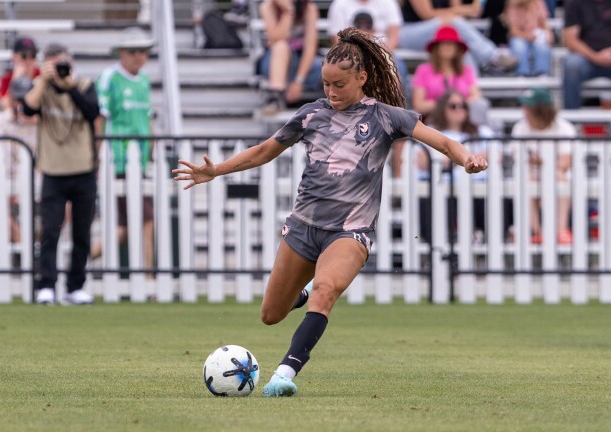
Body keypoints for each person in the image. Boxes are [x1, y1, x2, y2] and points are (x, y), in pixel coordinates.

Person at [173, 27, 488, 397]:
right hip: (303, 227)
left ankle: (284, 374)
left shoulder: (386, 117)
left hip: (350, 231)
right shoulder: (310, 116)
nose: (331, 92)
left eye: (339, 85)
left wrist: (467, 159)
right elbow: (263, 151)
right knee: (271, 314)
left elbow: (443, 140)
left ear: (362, 78)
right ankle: (301, 296)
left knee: (325, 290)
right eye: (325, 84)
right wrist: (216, 170)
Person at [22, 43, 100, 305]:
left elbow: (92, 112)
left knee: (81, 232)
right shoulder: (41, 87)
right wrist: (43, 81)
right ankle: (46, 285)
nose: (59, 69)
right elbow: (27, 109)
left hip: (83, 169)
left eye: (62, 64)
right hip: (53, 171)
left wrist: (68, 86)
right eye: (53, 64)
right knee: (50, 231)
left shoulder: (84, 84)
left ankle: (75, 286)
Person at [97, 27, 155, 276]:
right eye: (134, 51)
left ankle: (76, 264)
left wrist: (151, 148)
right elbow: (100, 118)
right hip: (117, 160)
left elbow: (147, 120)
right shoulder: (110, 78)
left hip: (139, 162)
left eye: (143, 51)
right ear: (122, 52)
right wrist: (96, 154)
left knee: (128, 226)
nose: (139, 56)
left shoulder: (144, 81)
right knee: (144, 220)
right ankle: (150, 277)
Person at [416, 90, 493, 243]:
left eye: (463, 105)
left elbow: (494, 153)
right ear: (442, 108)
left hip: (478, 190)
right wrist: (467, 158)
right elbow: (422, 160)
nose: (459, 109)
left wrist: (451, 158)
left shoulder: (482, 131)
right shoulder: (431, 131)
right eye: (453, 106)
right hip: (441, 191)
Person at [399, 0, 518, 75]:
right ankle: (492, 56)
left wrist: (467, 10)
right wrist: (464, 9)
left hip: (442, 31)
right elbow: (427, 14)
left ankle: (472, 95)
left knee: (464, 50)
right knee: (454, 22)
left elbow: (456, 11)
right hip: (411, 32)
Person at [510, 88, 576, 244]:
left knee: (561, 178)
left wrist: (541, 164)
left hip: (558, 175)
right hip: (532, 175)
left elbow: (565, 163)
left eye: (529, 108)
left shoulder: (564, 128)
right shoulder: (520, 127)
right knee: (526, 179)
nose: (524, 112)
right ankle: (536, 231)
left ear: (542, 110)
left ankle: (561, 230)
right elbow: (518, 159)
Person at [0, 77, 38, 243]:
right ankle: (30, 250)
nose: (20, 104)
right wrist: (2, 189)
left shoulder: (44, 123)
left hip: (38, 189)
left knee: (66, 208)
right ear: (10, 97)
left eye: (25, 99)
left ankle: (32, 247)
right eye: (17, 98)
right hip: (3, 189)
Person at [326, 0, 408, 94]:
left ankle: (392, 106)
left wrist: (380, 55)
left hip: (383, 53)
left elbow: (394, 37)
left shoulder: (387, 0)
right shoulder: (340, 3)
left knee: (397, 71)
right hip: (350, 54)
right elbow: (337, 40)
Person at [258, 0, 323, 113]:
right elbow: (275, 39)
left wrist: (298, 81)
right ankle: (276, 96)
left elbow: (310, 47)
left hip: (302, 64)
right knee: (281, 46)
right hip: (274, 63)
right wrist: (288, 12)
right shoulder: (267, 7)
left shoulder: (309, 9)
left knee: (333, 66)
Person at [412, 26, 489, 125]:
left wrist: (457, 105)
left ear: (457, 48)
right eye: (444, 43)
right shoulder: (423, 70)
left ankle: (476, 136)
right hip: (435, 120)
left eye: (452, 44)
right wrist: (445, 104)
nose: (448, 46)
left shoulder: (467, 70)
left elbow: (476, 96)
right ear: (437, 47)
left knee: (480, 105)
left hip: (462, 120)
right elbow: (418, 105)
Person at [562, 0, 611, 109]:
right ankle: (571, 119)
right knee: (572, 65)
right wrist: (596, 57)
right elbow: (570, 40)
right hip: (586, 57)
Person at [504, 0, 553, 77]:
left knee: (543, 44)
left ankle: (542, 73)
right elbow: (513, 30)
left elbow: (543, 23)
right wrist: (528, 36)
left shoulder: (539, 2)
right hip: (520, 36)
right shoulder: (513, 6)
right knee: (518, 45)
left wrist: (548, 33)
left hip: (535, 35)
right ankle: (522, 73)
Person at [0, 37, 41, 110]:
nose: (28, 60)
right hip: (16, 117)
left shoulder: (41, 75)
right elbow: (6, 106)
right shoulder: (7, 79)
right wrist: (15, 80)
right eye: (24, 56)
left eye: (33, 56)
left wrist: (30, 78)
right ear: (14, 57)